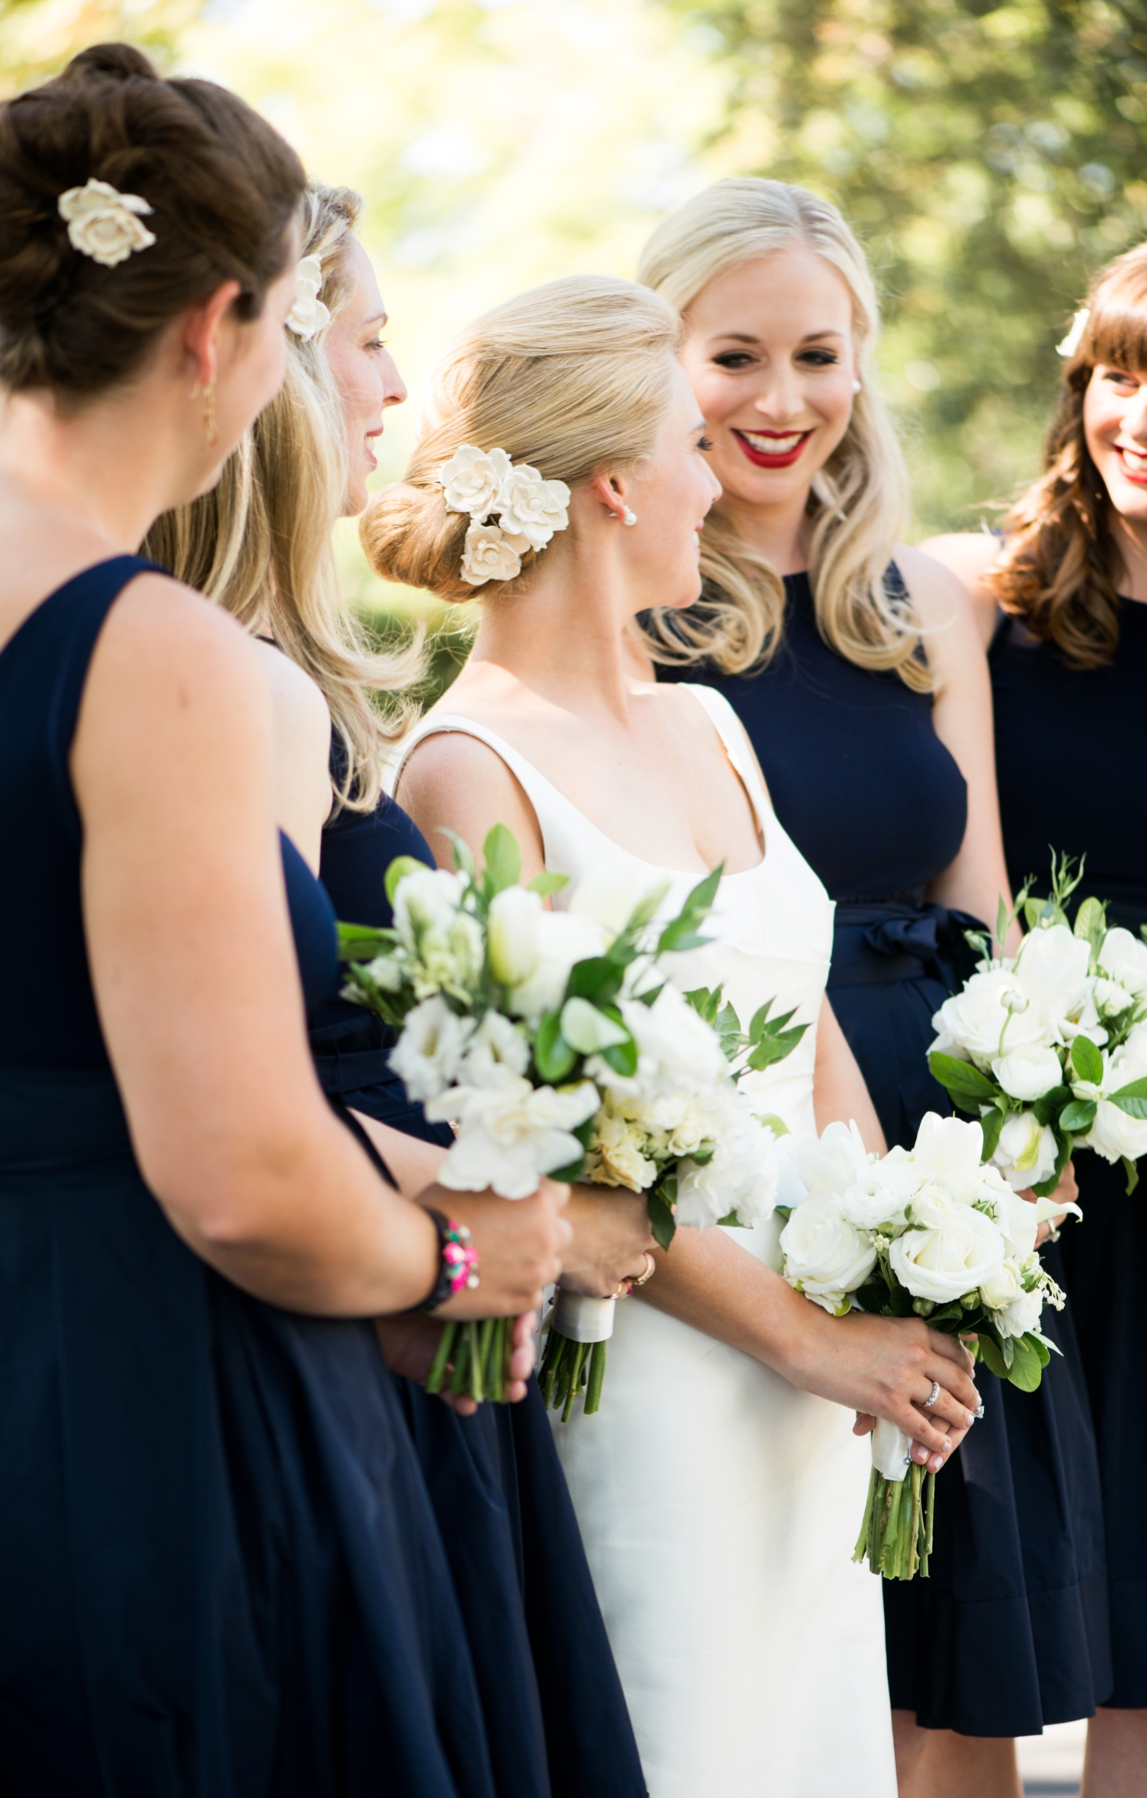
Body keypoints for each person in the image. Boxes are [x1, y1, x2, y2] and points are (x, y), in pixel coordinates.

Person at [0, 44, 569, 1795]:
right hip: (117, 1401)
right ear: (216, 327)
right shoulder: (143, 645)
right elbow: (234, 1171)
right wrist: (470, 1260)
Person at [359, 271, 984, 1798]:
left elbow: (803, 1010)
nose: (721, 475)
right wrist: (805, 1334)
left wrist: (907, 1238)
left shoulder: (715, 722)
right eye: (689, 444)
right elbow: (565, 1139)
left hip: (809, 1402)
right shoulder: (465, 769)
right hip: (651, 1380)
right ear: (615, 485)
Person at [148, 179, 650, 1798]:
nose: (390, 391)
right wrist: (457, 1213)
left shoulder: (308, 683)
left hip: (430, 1349)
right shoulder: (204, 695)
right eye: (366, 343)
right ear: (268, 363)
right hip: (332, 1339)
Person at [632, 177, 1106, 1798]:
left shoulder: (927, 603)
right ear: (661, 366)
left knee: (959, 1678)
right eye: (734, 357)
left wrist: (1022, 1156)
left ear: (864, 366)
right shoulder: (637, 616)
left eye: (819, 355)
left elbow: (983, 907)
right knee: (802, 1637)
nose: (783, 402)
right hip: (760, 1149)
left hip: (950, 1164)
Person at [924, 228, 1147, 1798]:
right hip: (1014, 1169)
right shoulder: (981, 598)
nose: (1141, 419)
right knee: (982, 1645)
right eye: (1116, 373)